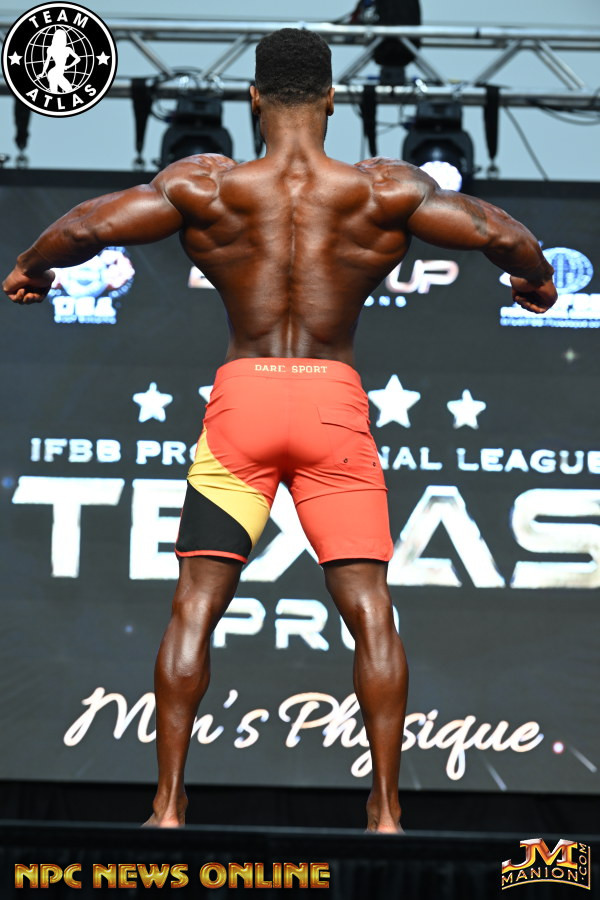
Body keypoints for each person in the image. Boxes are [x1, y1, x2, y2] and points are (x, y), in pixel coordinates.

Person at [3, 28, 556, 834]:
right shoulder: (383, 188)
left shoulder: (207, 184)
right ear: (333, 99)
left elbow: (89, 225)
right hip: (333, 406)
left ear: (253, 98)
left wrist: (32, 266)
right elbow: (499, 232)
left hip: (245, 405)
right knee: (371, 609)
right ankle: (386, 813)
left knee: (195, 606)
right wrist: (536, 279)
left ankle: (167, 807)